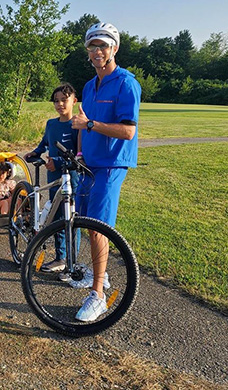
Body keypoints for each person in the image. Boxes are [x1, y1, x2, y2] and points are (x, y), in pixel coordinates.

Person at [69, 22, 141, 322]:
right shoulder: (89, 85)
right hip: (89, 164)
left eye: (103, 45)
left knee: (98, 227)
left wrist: (90, 125)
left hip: (111, 166)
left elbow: (127, 130)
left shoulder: (126, 83)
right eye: (92, 46)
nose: (97, 51)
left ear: (114, 48)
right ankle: (102, 275)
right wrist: (80, 154)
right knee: (87, 224)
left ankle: (98, 295)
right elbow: (85, 121)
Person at [24, 82, 79, 273]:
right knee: (56, 218)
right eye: (56, 101)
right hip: (54, 177)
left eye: (64, 100)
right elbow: (44, 144)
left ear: (74, 101)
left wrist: (57, 160)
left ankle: (73, 261)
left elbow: (77, 153)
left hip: (72, 179)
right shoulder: (51, 124)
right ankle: (60, 258)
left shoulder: (77, 125)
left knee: (71, 219)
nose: (60, 104)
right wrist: (34, 152)